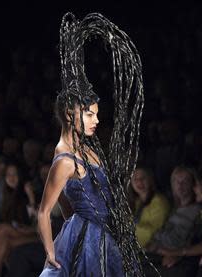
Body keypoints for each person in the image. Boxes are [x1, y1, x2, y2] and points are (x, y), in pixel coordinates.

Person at [38, 12, 149, 277]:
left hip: (104, 232)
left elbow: (67, 200)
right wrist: (51, 251)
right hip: (91, 236)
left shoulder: (84, 149)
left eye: (97, 114)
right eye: (90, 114)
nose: (97, 120)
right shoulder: (65, 159)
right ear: (69, 113)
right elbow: (43, 211)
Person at [128, 167, 170, 248]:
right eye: (135, 178)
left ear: (150, 180)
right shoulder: (136, 202)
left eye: (143, 178)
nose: (139, 181)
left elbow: (152, 232)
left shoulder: (160, 202)